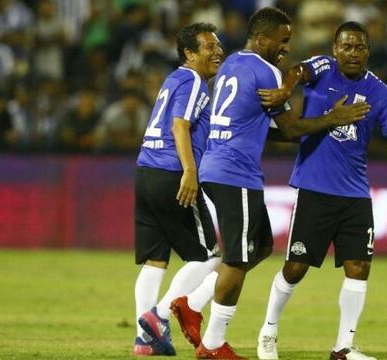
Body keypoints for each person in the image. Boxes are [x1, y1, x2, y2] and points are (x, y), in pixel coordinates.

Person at [194, 7, 371, 359]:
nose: (286, 48)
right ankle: (212, 345)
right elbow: (290, 128)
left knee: (259, 247)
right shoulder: (267, 72)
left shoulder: (230, 63)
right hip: (234, 171)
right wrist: (333, 118)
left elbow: (268, 128)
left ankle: (192, 301)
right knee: (237, 259)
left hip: (217, 165)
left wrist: (320, 125)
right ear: (262, 39)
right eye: (283, 40)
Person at [254, 21, 387, 360]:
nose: (352, 53)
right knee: (296, 267)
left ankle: (343, 347)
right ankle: (268, 331)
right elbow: (299, 70)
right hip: (314, 187)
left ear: (368, 51)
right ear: (335, 49)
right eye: (346, 46)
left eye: (359, 47)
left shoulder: (379, 91)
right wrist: (286, 88)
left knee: (359, 266)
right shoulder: (323, 68)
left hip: (356, 193)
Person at [132, 22, 224, 356]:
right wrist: (189, 171)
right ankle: (157, 317)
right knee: (210, 256)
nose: (217, 52)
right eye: (209, 47)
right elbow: (180, 125)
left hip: (146, 172)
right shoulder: (195, 81)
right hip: (173, 173)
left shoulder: (173, 79)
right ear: (189, 53)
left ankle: (145, 341)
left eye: (218, 45)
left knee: (156, 260)